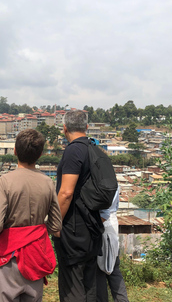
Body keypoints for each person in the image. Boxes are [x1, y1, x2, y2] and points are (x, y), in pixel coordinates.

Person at [0, 129, 62, 302]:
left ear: (15, 150)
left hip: (9, 253)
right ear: (40, 154)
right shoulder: (47, 182)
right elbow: (56, 226)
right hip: (36, 255)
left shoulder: (6, 181)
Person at [53, 109, 103, 301]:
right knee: (89, 284)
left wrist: (56, 224)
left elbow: (66, 193)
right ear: (87, 127)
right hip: (93, 227)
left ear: (65, 128)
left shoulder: (74, 151)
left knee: (72, 285)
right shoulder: (94, 149)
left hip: (74, 230)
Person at [97, 185, 129, 302]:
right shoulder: (114, 182)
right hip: (112, 227)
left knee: (99, 270)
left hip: (103, 226)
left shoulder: (98, 182)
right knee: (114, 268)